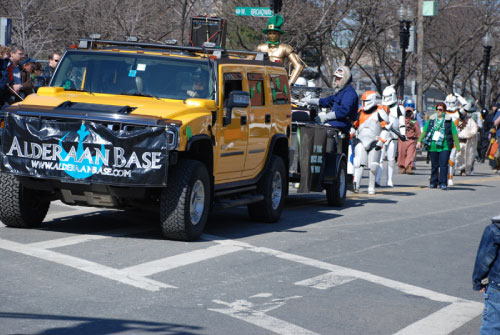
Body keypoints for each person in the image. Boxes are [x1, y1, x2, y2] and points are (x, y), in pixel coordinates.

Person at [301, 65, 359, 159]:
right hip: (335, 124)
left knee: (321, 131)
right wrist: (308, 100)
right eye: (336, 77)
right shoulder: (342, 92)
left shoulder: (349, 93)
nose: (336, 80)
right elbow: (327, 101)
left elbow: (344, 111)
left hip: (341, 125)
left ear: (345, 79)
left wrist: (325, 117)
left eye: (339, 78)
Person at [350, 90, 389, 194]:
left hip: (375, 141)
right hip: (361, 140)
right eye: (362, 101)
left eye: (365, 101)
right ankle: (356, 185)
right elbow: (355, 125)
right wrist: (351, 133)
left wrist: (381, 141)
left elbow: (386, 128)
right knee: (358, 162)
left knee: (373, 165)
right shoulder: (360, 112)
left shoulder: (380, 112)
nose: (364, 104)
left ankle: (371, 186)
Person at [416, 102, 461, 190]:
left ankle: (443, 183)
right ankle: (433, 182)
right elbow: (425, 131)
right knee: (434, 165)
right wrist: (419, 141)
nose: (438, 111)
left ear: (444, 111)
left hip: (445, 146)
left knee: (443, 165)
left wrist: (458, 146)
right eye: (437, 109)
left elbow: (454, 134)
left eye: (440, 110)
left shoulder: (449, 121)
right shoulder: (432, 120)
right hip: (433, 145)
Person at [472, 214, 500, 334]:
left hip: (497, 285)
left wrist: (479, 281)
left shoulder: (495, 229)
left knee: (492, 327)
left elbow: (484, 259)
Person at [256, 15, 303, 85]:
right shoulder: (260, 47)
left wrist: (290, 83)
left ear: (279, 34)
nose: (272, 35)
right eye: (270, 33)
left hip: (278, 81)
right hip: (261, 80)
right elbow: (247, 62)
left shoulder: (285, 48)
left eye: (274, 33)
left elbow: (298, 66)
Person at [375, 85, 406, 187]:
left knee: (391, 159)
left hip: (393, 136)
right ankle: (377, 179)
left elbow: (401, 123)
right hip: (383, 135)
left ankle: (389, 180)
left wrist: (403, 134)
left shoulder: (399, 108)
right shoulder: (381, 108)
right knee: (380, 158)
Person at [455, 106, 478, 175]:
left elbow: (475, 129)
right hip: (457, 141)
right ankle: (453, 170)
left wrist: (469, 135)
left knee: (465, 157)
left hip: (466, 141)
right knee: (456, 157)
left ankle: (463, 170)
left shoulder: (470, 121)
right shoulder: (456, 121)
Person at [398, 107, 421, 174]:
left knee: (410, 155)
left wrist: (419, 140)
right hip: (402, 140)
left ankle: (409, 167)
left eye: (409, 112)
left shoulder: (414, 122)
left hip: (411, 140)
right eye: (407, 112)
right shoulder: (401, 121)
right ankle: (402, 167)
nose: (408, 114)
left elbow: (418, 132)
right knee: (402, 154)